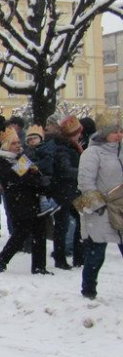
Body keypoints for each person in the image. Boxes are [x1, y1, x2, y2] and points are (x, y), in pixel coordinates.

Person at [75, 110, 123, 299]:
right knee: (96, 253)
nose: (119, 134)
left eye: (121, 130)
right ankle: (88, 290)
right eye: (114, 131)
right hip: (100, 210)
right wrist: (98, 207)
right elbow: (85, 183)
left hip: (120, 208)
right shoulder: (91, 153)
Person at [0, 127, 51, 275]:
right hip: (18, 202)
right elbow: (17, 177)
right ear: (6, 145)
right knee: (21, 233)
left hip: (33, 199)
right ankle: (4, 257)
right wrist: (30, 173)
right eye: (14, 143)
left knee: (40, 232)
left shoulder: (22, 158)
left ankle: (39, 266)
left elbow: (34, 175)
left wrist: (36, 178)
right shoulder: (2, 160)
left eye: (19, 142)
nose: (18, 145)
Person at [50, 116, 84, 270]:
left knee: (83, 222)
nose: (80, 135)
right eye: (78, 132)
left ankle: (78, 256)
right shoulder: (63, 148)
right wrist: (83, 172)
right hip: (64, 191)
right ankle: (60, 258)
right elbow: (65, 170)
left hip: (74, 190)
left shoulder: (72, 146)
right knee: (62, 225)